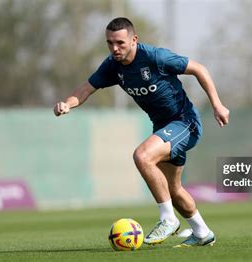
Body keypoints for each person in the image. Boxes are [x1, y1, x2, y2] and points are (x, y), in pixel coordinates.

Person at [54, 17, 229, 247]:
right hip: (163, 128)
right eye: (110, 43)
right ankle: (203, 232)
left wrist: (217, 104)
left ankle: (168, 219)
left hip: (185, 122)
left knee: (142, 156)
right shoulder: (112, 66)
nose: (115, 48)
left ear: (134, 39)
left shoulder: (155, 57)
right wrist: (67, 103)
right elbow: (87, 88)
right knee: (173, 189)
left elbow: (198, 69)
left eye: (120, 43)